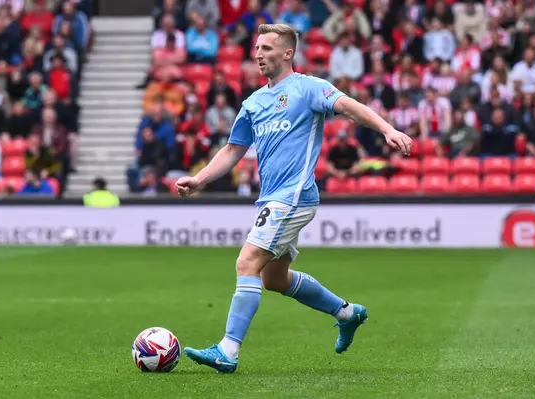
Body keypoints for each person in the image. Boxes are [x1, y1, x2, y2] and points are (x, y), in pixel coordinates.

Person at [175, 23, 412, 374]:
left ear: (288, 53)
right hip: (271, 198)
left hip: (294, 196)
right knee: (273, 279)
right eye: (256, 48)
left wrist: (388, 129)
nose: (258, 54)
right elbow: (233, 149)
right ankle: (347, 313)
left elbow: (349, 106)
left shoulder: (308, 88)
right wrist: (200, 179)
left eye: (267, 48)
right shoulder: (253, 103)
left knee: (246, 263)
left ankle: (228, 350)